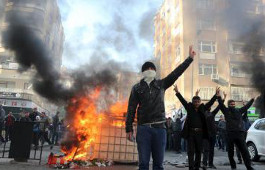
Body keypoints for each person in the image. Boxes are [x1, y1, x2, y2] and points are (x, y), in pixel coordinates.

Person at [126, 46, 196, 170]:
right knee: (143, 164)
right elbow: (131, 108)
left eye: (152, 69)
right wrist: (128, 128)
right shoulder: (136, 88)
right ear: (143, 72)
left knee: (158, 165)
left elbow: (176, 73)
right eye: (147, 69)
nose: (150, 70)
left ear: (155, 71)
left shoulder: (161, 84)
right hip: (143, 129)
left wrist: (189, 59)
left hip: (160, 129)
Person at [174, 85, 219, 170]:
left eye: (198, 102)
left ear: (200, 102)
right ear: (193, 102)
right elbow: (182, 101)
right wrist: (177, 92)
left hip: (200, 133)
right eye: (195, 102)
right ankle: (191, 167)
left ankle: (197, 167)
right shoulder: (189, 107)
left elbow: (210, 103)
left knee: (199, 151)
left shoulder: (203, 108)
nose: (196, 103)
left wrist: (215, 95)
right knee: (190, 151)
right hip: (191, 133)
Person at [217, 92, 255, 170]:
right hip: (230, 134)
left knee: (245, 151)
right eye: (231, 104)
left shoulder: (239, 111)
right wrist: (219, 97)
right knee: (230, 152)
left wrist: (252, 100)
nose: (233, 105)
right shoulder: (226, 111)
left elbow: (247, 107)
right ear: (228, 105)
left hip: (240, 134)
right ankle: (233, 166)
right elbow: (221, 105)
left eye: (234, 104)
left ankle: (249, 167)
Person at [202, 91, 227, 169]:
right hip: (205, 134)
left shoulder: (212, 114)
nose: (209, 107)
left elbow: (219, 107)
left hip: (212, 134)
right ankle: (204, 164)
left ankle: (210, 164)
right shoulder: (202, 113)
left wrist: (224, 99)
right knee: (206, 150)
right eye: (208, 106)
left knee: (211, 150)